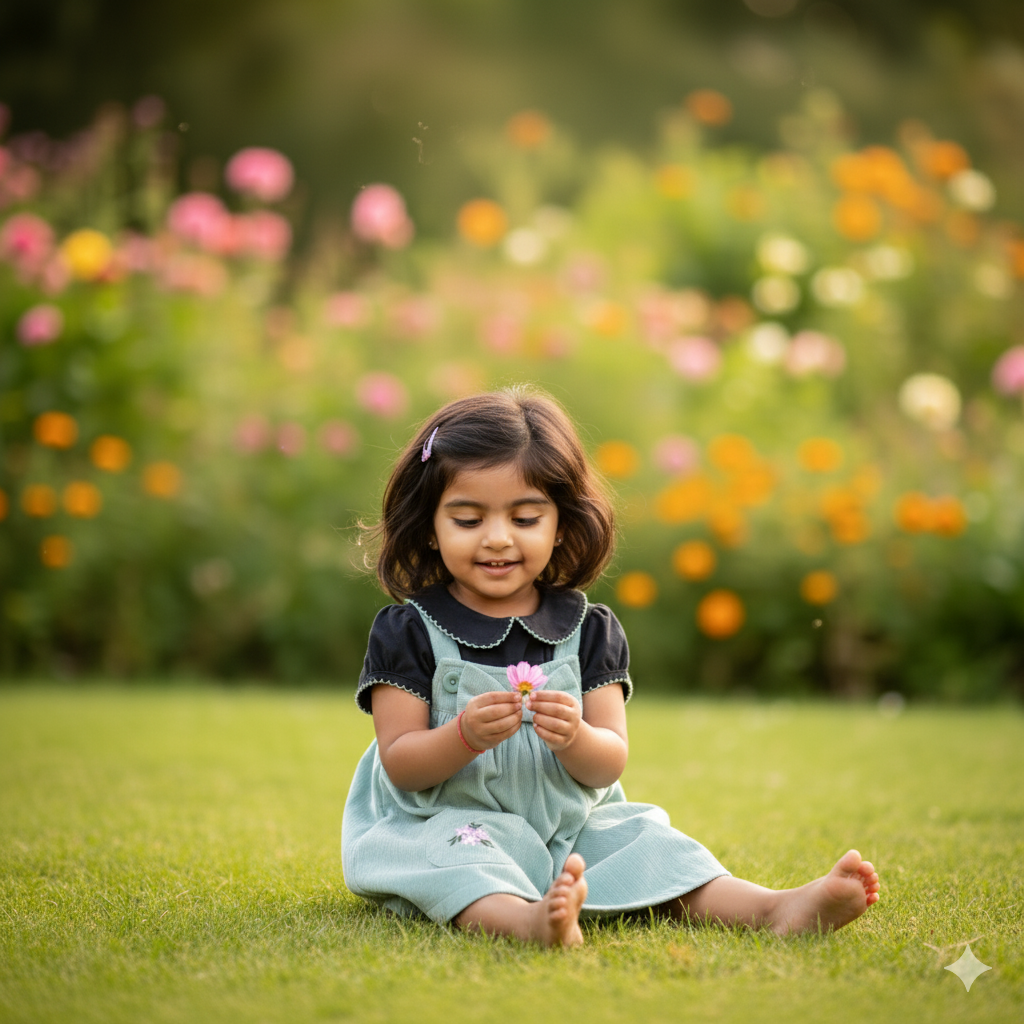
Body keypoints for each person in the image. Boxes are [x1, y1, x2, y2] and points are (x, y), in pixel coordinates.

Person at [342, 388, 880, 947]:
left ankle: (775, 908)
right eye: (468, 518)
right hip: (452, 823)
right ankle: (526, 922)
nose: (498, 538)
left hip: (572, 827)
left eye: (525, 518)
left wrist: (574, 735)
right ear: (431, 526)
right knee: (460, 862)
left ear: (560, 523)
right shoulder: (409, 631)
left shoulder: (588, 629)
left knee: (649, 843)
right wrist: (463, 735)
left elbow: (608, 763)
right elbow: (402, 764)